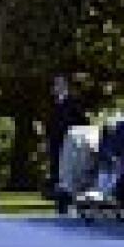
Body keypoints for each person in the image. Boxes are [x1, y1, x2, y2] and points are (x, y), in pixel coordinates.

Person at [46, 75, 86, 206]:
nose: (56, 87)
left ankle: (70, 201)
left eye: (59, 84)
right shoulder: (52, 103)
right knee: (57, 173)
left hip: (70, 144)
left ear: (65, 86)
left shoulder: (74, 102)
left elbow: (82, 122)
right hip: (55, 144)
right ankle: (60, 204)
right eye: (55, 84)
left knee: (69, 174)